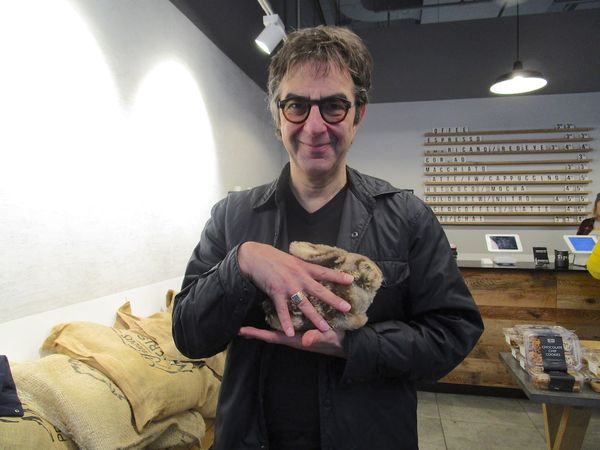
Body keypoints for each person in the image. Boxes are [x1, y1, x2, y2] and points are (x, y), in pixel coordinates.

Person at [172, 25, 483, 450]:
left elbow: (454, 332)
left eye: (334, 106)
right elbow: (188, 335)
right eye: (296, 105)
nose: (314, 126)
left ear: (359, 113)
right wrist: (242, 262)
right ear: (277, 114)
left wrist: (354, 345)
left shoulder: (407, 217)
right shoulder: (232, 218)